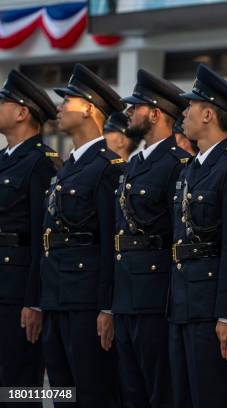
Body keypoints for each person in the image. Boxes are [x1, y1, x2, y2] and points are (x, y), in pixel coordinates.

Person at [167, 63, 227, 407]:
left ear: (207, 115)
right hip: (182, 304)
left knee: (213, 395)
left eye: (189, 107)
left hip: (210, 307)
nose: (183, 114)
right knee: (183, 396)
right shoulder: (192, 168)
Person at [40, 63, 126, 407]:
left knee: (91, 390)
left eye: (68, 100)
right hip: (56, 296)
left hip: (87, 300)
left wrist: (107, 307)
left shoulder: (106, 167)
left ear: (89, 107)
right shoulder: (67, 167)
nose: (59, 107)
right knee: (61, 391)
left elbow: (110, 244)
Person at [111, 69, 191, 407]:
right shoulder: (134, 164)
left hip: (156, 295)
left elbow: (179, 233)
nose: (128, 112)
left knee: (161, 391)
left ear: (156, 113)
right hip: (128, 293)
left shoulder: (176, 163)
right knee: (132, 392)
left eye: (136, 107)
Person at [0, 69, 61, 408]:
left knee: (20, 386)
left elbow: (43, 238)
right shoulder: (4, 160)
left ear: (22, 112)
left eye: (3, 103)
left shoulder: (40, 162)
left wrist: (34, 300)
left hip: (18, 290)